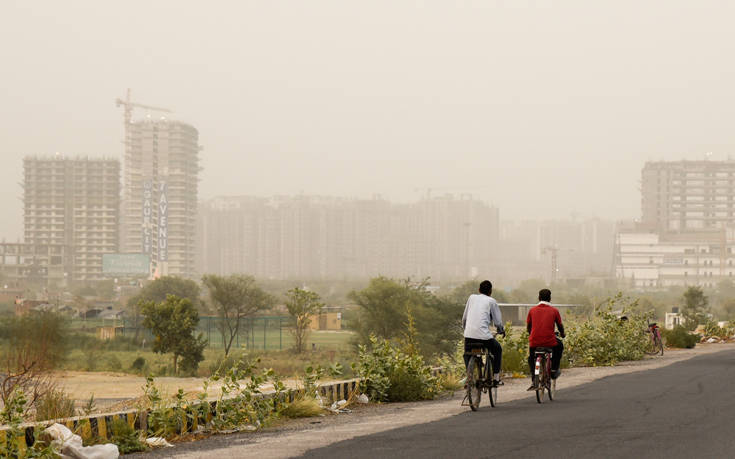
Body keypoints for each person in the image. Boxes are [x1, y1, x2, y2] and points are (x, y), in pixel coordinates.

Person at [462, 280, 505, 387]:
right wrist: (500, 330)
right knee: (497, 349)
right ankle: (496, 378)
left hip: (469, 335)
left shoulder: (471, 298)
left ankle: (469, 375)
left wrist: (466, 330)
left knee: (467, 353)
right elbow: (498, 322)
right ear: (490, 291)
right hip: (484, 337)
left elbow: (464, 318)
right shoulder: (491, 301)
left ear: (479, 290)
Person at [526, 288, 565, 391]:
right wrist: (562, 334)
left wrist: (532, 335)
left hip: (534, 342)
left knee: (531, 357)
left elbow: (528, 327)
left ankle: (534, 378)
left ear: (539, 298)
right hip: (550, 341)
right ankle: (553, 370)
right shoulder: (554, 311)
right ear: (550, 298)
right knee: (559, 346)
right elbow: (560, 325)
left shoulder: (532, 310)